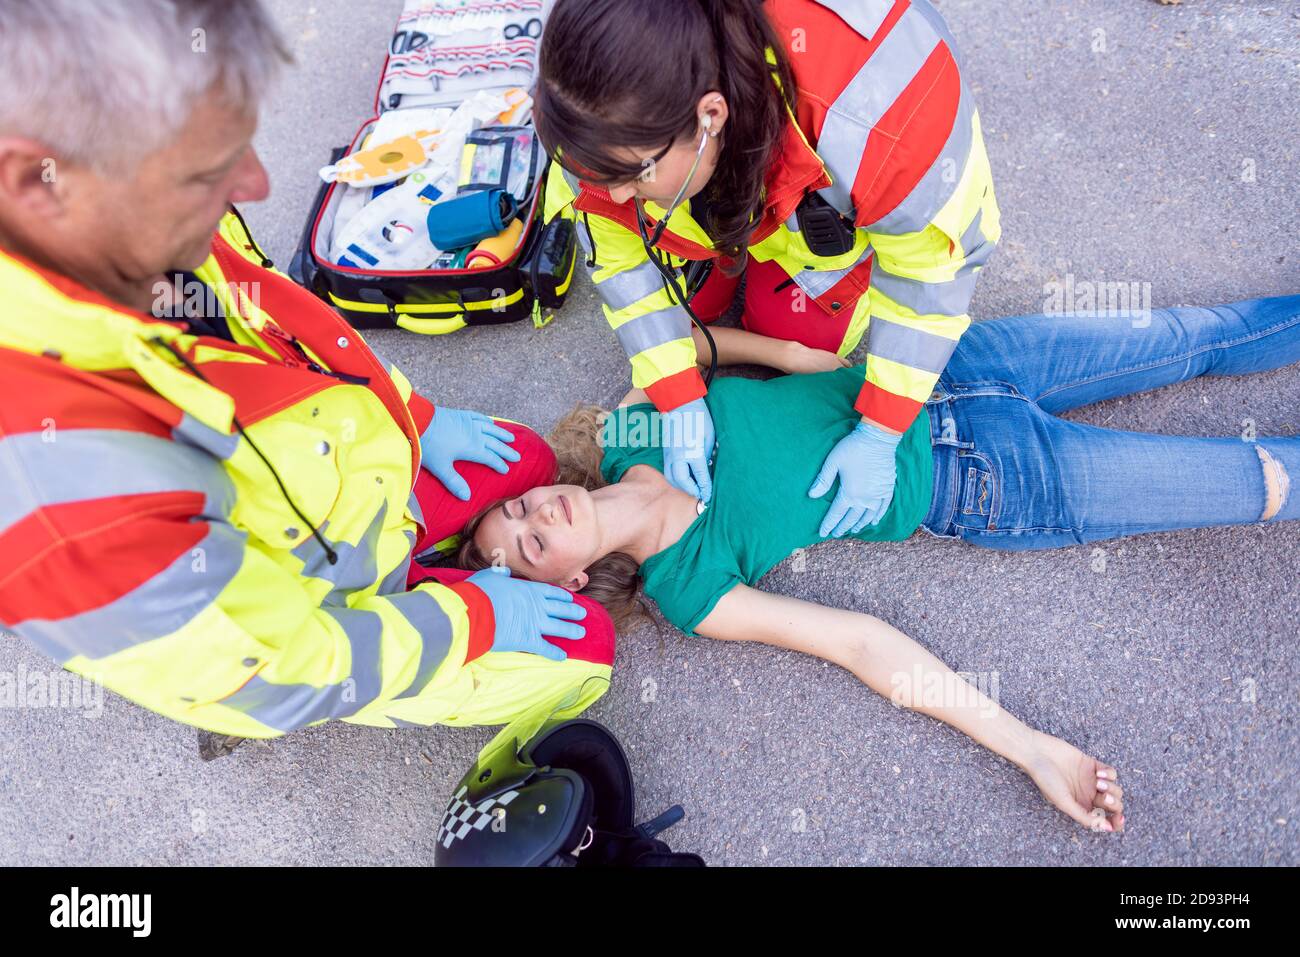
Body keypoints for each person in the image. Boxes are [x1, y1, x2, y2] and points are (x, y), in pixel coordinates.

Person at [0, 0, 614, 752]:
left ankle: (411, 556)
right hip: (301, 614)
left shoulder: (113, 215)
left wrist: (413, 415)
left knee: (531, 459)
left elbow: (284, 325)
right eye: (208, 165)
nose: (255, 184)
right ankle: (378, 610)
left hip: (336, 496)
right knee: (582, 655)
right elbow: (284, 672)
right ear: (36, 181)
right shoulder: (62, 493)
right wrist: (470, 619)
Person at [455, 295, 1300, 832]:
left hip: (939, 367)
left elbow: (689, 344)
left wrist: (793, 360)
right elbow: (863, 644)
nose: (536, 517)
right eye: (528, 547)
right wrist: (1031, 747)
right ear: (566, 584)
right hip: (984, 480)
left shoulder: (627, 432)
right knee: (1253, 482)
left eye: (518, 507)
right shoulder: (687, 584)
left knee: (1200, 334)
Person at [532, 0, 1001, 540]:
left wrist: (881, 430)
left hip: (820, 205)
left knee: (793, 323)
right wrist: (676, 393)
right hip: (730, 170)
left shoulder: (884, 116)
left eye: (631, 174)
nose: (612, 193)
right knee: (701, 307)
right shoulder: (592, 94)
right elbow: (618, 261)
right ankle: (729, 246)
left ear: (710, 115)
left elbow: (931, 274)